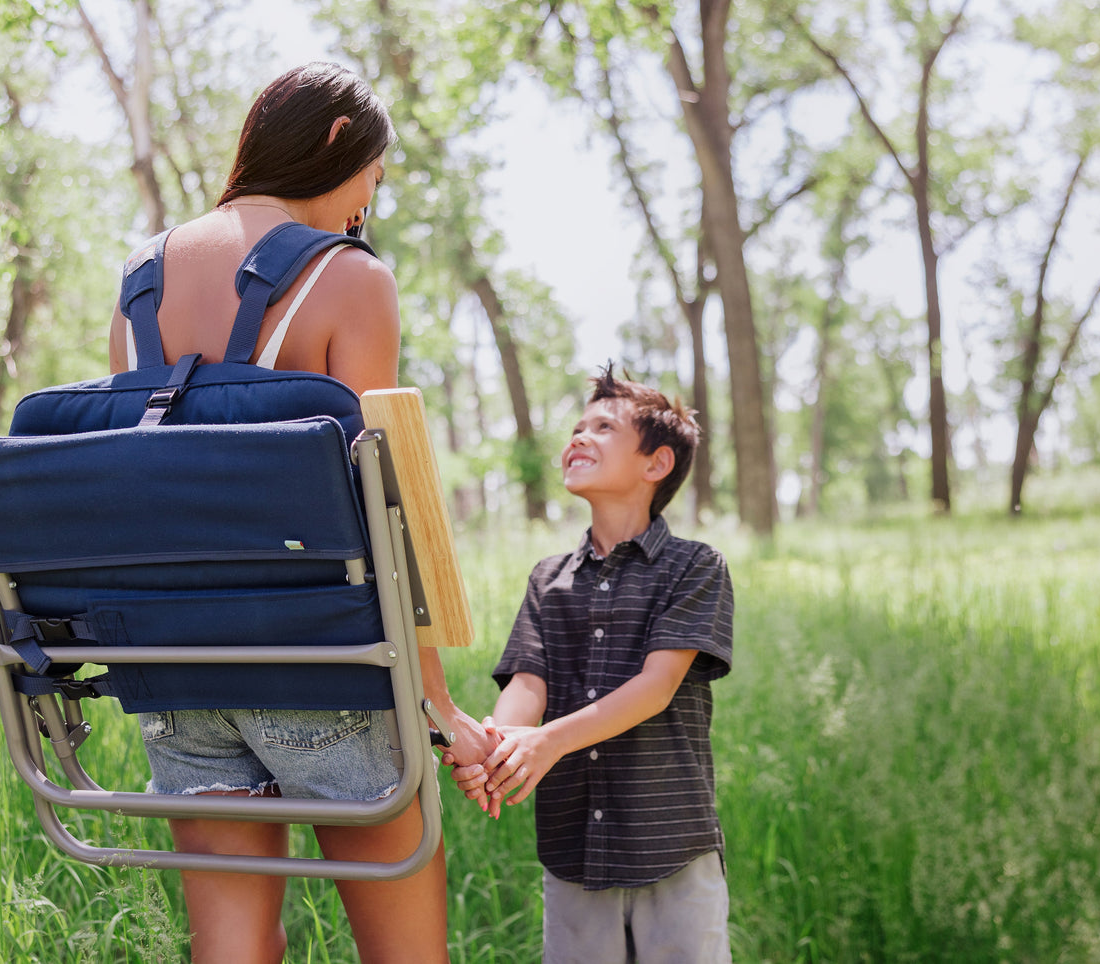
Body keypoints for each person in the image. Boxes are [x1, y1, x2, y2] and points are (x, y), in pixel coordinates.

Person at [107, 61, 495, 964]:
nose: (367, 202)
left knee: (233, 952)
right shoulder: (349, 279)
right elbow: (382, 508)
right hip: (320, 670)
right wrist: (438, 706)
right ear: (335, 143)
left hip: (177, 675)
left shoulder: (138, 284)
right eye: (374, 174)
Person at [450, 366, 735, 964]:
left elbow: (656, 688)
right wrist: (500, 745)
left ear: (656, 465)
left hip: (671, 846)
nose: (579, 437)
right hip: (574, 846)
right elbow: (529, 681)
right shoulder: (547, 579)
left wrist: (544, 744)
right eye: (578, 427)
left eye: (603, 427)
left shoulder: (694, 567)